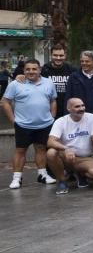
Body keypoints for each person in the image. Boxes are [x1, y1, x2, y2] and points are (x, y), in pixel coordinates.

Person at [2, 59, 57, 189]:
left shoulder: (49, 83)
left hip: (44, 124)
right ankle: (17, 178)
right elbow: (5, 102)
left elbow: (53, 100)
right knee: (20, 151)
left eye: (34, 69)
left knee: (41, 149)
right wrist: (13, 120)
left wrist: (52, 117)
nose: (31, 72)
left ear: (39, 70)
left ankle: (42, 175)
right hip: (23, 125)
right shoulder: (15, 84)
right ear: (24, 70)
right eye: (28, 69)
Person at [45, 97, 93, 194]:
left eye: (83, 105)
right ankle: (62, 181)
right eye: (77, 106)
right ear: (69, 109)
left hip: (86, 158)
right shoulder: (60, 121)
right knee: (51, 153)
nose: (81, 108)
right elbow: (50, 142)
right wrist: (66, 149)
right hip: (67, 157)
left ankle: (81, 174)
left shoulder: (91, 117)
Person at [41, 44, 76, 118]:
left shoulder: (72, 70)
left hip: (68, 111)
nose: (58, 58)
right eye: (55, 55)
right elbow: (32, 77)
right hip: (48, 111)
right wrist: (21, 76)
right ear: (51, 55)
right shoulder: (44, 70)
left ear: (65, 55)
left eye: (61, 55)